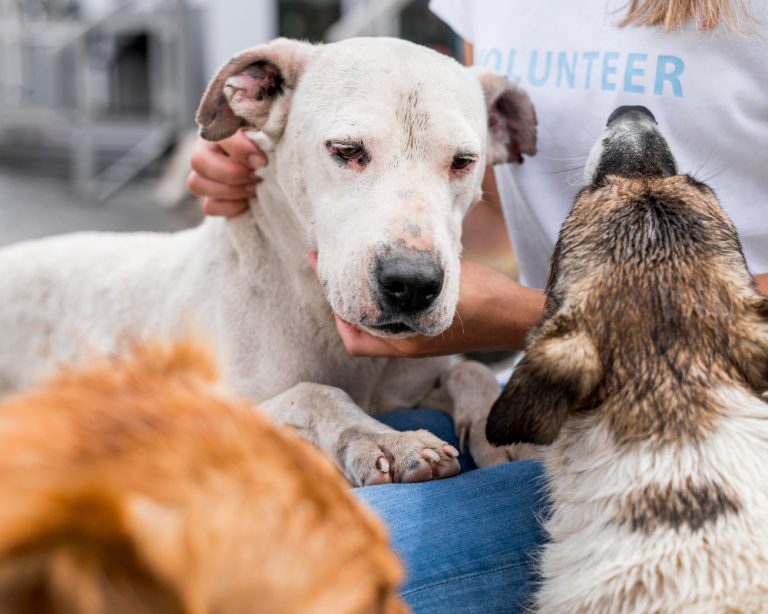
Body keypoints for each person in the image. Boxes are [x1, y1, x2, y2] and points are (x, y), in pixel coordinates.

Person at [186, 1, 768, 610]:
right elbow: (471, 198)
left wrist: (525, 316)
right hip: (546, 395)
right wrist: (284, 163)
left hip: (719, 422)